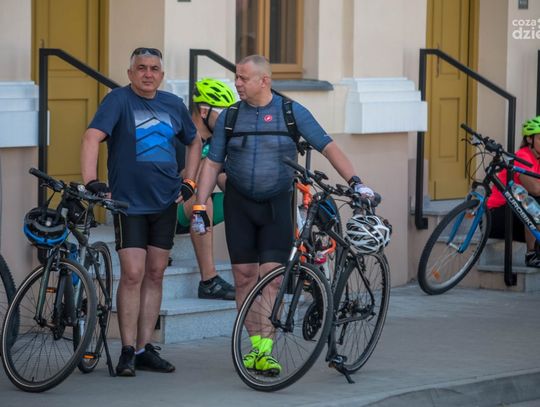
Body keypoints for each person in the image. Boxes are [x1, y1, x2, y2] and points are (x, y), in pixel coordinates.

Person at [192, 54, 375, 376]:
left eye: (243, 78)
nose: (237, 83)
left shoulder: (291, 112)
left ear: (264, 81)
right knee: (244, 277)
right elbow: (213, 162)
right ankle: (256, 347)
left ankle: (265, 351)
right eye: (236, 77)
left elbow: (328, 146)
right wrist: (199, 204)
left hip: (277, 204)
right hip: (239, 205)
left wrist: (356, 182)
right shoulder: (231, 117)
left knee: (272, 277)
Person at [80, 47, 202, 377]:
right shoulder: (118, 101)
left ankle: (145, 348)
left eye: (154, 69)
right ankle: (127, 350)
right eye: (141, 68)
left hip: (165, 202)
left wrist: (189, 182)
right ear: (130, 73)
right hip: (128, 203)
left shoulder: (173, 104)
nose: (148, 74)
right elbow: (92, 137)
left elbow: (194, 141)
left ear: (162, 75)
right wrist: (90, 181)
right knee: (133, 273)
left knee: (156, 273)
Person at [175, 78, 236, 300]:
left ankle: (256, 272)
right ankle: (209, 282)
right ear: (203, 111)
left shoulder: (217, 141)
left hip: (194, 212)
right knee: (203, 200)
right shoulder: (180, 135)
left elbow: (223, 179)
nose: (228, 120)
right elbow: (183, 179)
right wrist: (210, 158)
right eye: (223, 113)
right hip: (170, 209)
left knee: (245, 198)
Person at [487, 116, 540, 267]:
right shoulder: (523, 156)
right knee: (532, 201)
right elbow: (535, 189)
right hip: (496, 216)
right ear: (529, 139)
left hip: (517, 215)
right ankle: (531, 254)